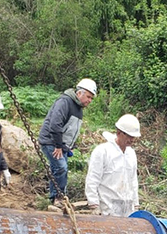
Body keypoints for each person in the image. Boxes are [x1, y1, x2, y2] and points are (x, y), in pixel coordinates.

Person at [38, 78, 96, 206]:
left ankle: (57, 199)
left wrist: (70, 146)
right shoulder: (65, 102)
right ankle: (58, 197)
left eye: (92, 98)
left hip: (62, 144)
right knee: (61, 168)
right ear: (79, 93)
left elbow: (70, 129)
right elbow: (55, 124)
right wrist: (58, 145)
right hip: (51, 141)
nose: (89, 101)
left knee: (58, 169)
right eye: (88, 97)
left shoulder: (78, 109)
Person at [84, 114, 141, 217]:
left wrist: (136, 205)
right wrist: (94, 205)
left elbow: (133, 181)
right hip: (108, 207)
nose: (131, 139)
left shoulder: (131, 154)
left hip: (127, 207)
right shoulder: (103, 151)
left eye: (133, 137)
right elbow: (92, 179)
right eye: (129, 136)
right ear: (119, 133)